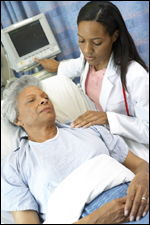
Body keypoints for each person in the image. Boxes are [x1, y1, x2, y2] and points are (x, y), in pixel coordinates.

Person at [1, 75, 149, 224]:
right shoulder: (14, 166)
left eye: (45, 97)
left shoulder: (86, 128)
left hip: (136, 197)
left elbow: (139, 164)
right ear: (17, 119)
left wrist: (143, 177)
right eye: (31, 100)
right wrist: (96, 220)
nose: (44, 100)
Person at [34, 1, 149, 145]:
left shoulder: (135, 75)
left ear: (114, 36)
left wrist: (108, 118)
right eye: (81, 40)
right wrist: (57, 67)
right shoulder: (89, 59)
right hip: (98, 135)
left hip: (130, 143)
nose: (87, 50)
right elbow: (77, 64)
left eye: (96, 43)